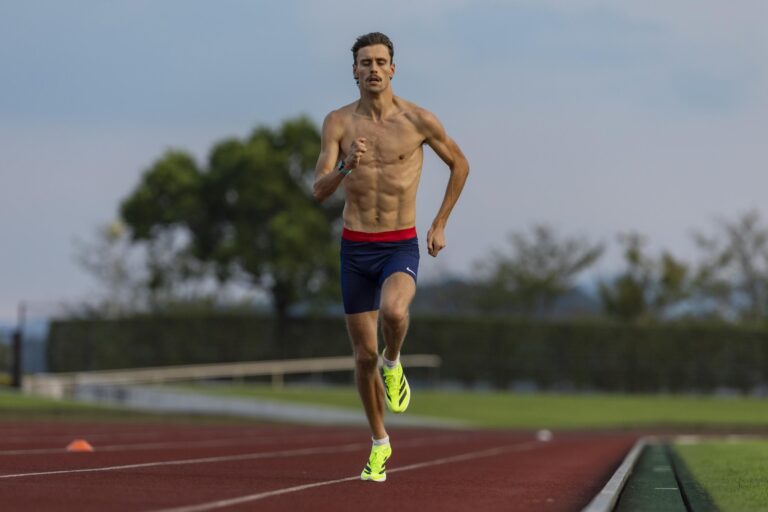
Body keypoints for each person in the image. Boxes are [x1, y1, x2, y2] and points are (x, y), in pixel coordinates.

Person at [313, 32, 469, 482]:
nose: (374, 69)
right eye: (366, 63)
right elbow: (318, 190)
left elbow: (460, 163)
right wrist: (346, 166)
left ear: (393, 69)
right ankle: (380, 442)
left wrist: (439, 223)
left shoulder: (418, 120)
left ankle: (394, 361)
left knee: (396, 312)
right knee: (362, 357)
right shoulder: (338, 123)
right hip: (355, 248)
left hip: (399, 242)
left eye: (382, 61)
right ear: (355, 71)